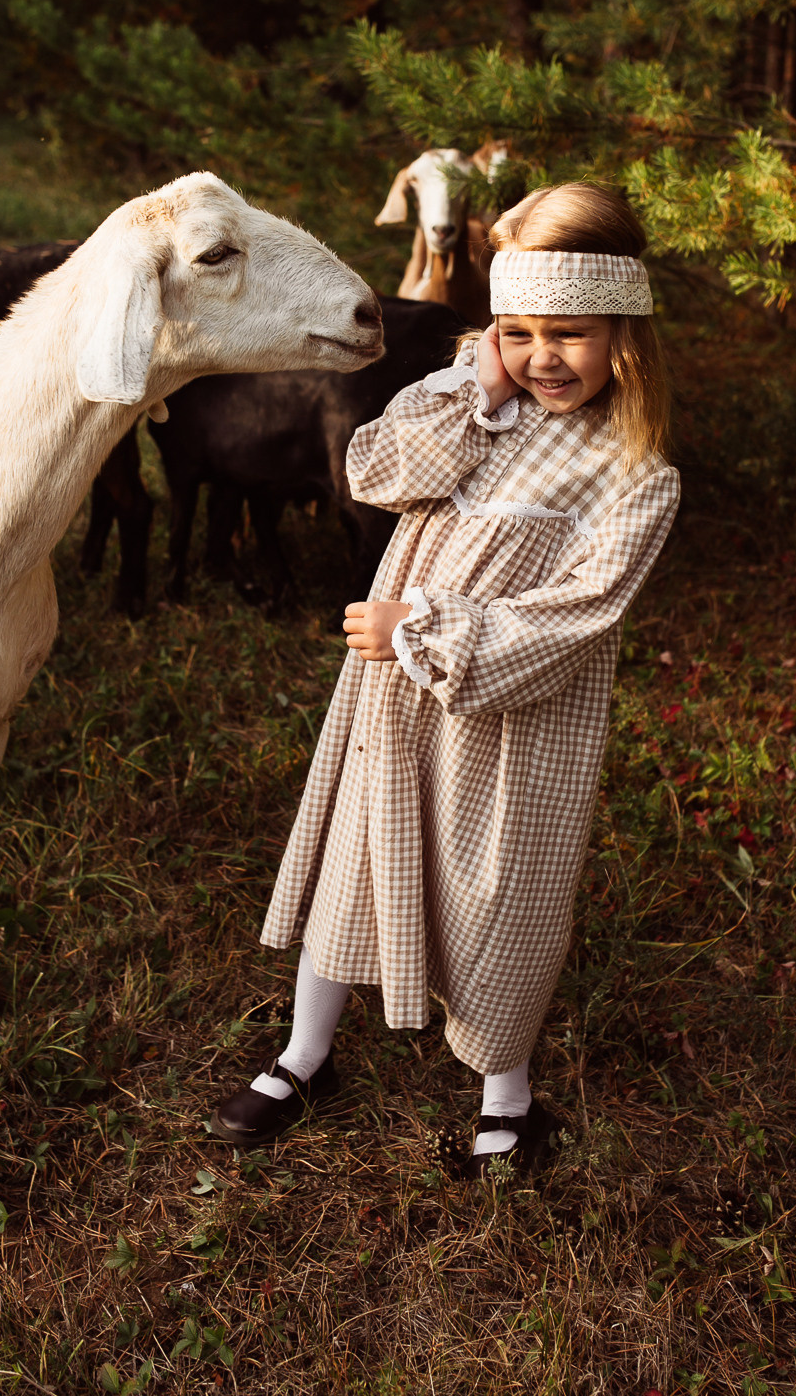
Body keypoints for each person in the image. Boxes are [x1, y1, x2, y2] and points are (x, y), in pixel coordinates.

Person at [209, 181, 680, 1177]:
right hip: (392, 699)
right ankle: (305, 1055)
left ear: (625, 337)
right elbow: (374, 472)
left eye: (570, 334)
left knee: (499, 897)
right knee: (357, 856)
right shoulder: (476, 409)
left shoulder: (636, 474)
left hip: (510, 727)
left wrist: (421, 624)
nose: (542, 357)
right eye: (519, 333)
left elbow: (577, 615)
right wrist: (476, 394)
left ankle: (508, 1093)